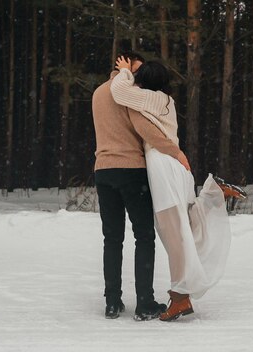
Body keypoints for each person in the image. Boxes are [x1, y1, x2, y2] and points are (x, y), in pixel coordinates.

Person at [110, 56, 246, 321]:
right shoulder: (167, 101)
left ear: (145, 83)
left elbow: (118, 91)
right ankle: (212, 193)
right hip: (178, 165)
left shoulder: (148, 97)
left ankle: (180, 298)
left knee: (174, 234)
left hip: (162, 165)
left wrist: (125, 72)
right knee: (187, 223)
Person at [92, 52, 191, 321]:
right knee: (144, 237)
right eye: (136, 70)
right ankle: (144, 302)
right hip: (131, 170)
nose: (138, 75)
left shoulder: (98, 93)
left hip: (103, 170)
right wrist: (176, 152)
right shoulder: (128, 93)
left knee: (112, 239)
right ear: (125, 69)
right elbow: (145, 130)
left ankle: (112, 301)